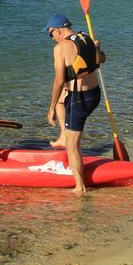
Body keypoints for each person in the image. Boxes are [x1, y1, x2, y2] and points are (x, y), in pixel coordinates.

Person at [44, 14, 105, 193]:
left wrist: (50, 108)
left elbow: (58, 80)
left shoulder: (61, 48)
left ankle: (80, 187)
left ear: (58, 30)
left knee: (72, 146)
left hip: (80, 99)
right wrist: (97, 49)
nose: (52, 38)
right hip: (94, 94)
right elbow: (101, 59)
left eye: (50, 34)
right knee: (62, 99)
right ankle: (63, 134)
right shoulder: (85, 38)